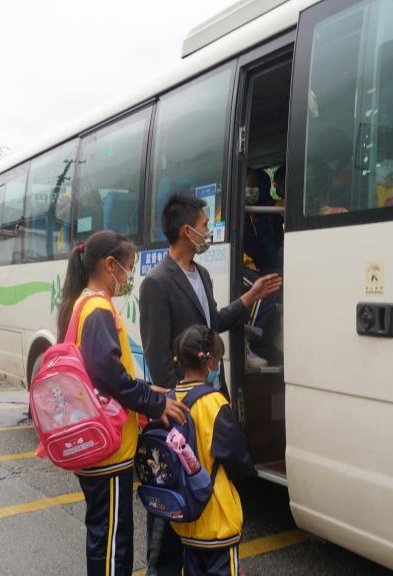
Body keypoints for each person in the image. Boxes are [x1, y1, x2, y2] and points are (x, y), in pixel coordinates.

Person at [139, 193, 281, 576]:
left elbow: (212, 323)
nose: (209, 231)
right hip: (182, 416)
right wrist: (180, 410)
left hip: (208, 405)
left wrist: (249, 297)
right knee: (171, 521)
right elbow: (157, 356)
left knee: (202, 504)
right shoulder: (156, 283)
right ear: (187, 231)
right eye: (205, 226)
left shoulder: (200, 274)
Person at [57, 230, 190, 576]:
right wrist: (154, 403)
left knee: (104, 537)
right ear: (109, 265)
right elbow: (107, 373)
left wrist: (146, 388)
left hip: (95, 445)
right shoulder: (98, 307)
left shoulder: (82, 303)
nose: (129, 277)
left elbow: (103, 372)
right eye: (128, 268)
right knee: (113, 545)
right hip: (109, 452)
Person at [170, 325, 252, 576]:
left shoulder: (170, 400)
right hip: (217, 519)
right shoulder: (215, 403)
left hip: (186, 519)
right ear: (208, 362)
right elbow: (238, 461)